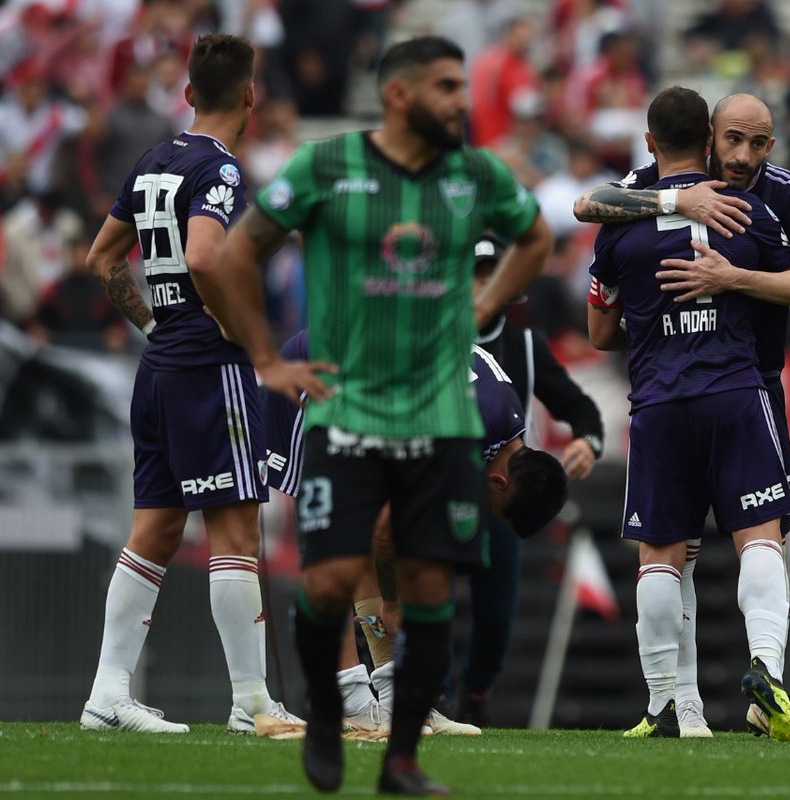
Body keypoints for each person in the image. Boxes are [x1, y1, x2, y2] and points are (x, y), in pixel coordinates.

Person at [202, 35, 554, 796]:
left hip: (432, 413)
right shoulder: (328, 166)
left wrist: (485, 306)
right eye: (447, 86)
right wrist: (266, 358)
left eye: (464, 85)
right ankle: (335, 710)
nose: (464, 100)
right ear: (399, 94)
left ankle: (399, 753)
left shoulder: (475, 174)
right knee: (330, 578)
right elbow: (236, 254)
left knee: (427, 581)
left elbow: (537, 239)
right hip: (345, 403)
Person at [573, 92, 790, 739]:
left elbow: (598, 314)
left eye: (758, 143)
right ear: (711, 137)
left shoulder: (782, 196)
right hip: (740, 389)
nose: (744, 155)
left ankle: (675, 705)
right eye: (733, 141)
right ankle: (761, 673)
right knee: (760, 538)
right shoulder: (756, 220)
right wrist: (682, 206)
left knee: (664, 551)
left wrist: (715, 282)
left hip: (659, 398)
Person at [80, 34, 310, 735]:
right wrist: (253, 339)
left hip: (160, 365)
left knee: (153, 526)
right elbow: (206, 254)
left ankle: (107, 693)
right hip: (210, 366)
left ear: (187, 96)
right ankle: (251, 702)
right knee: (237, 526)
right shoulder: (223, 171)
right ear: (251, 94)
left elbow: (101, 257)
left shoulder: (154, 162)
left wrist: (157, 324)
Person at [263, 332, 569, 736]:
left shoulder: (504, 427)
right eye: (496, 513)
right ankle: (347, 698)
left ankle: (397, 700)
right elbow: (387, 530)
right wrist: (391, 602)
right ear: (498, 481)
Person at [451, 234, 603, 725]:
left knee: (496, 615)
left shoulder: (524, 346)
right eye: (474, 274)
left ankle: (475, 692)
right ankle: (422, 693)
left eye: (490, 274)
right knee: (421, 592)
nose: (481, 285)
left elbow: (579, 407)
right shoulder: (433, 335)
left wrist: (588, 440)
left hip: (501, 494)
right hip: (442, 493)